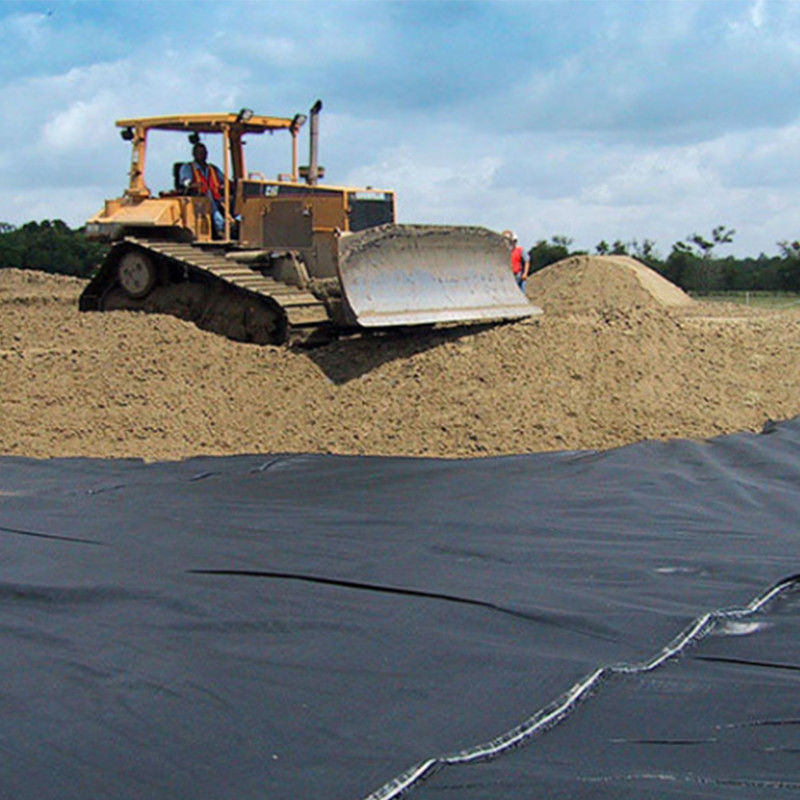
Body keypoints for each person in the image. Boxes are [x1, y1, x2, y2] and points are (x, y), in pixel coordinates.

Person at [179, 143, 225, 236]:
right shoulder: (188, 168)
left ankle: (238, 222)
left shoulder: (213, 169)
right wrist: (193, 184)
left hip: (217, 197)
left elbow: (223, 180)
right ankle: (221, 226)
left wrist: (225, 185)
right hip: (198, 198)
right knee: (208, 198)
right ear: (194, 154)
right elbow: (185, 181)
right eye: (199, 153)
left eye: (204, 153)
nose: (202, 155)